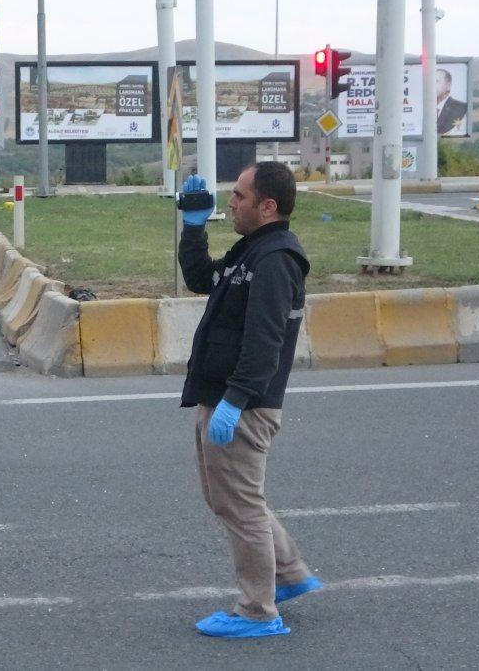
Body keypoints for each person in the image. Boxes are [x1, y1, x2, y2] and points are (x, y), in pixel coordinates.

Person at [177, 162, 321, 639]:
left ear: (268, 206)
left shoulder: (276, 260)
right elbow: (202, 279)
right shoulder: (252, 251)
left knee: (240, 506)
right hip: (222, 394)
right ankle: (289, 574)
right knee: (231, 499)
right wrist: (192, 229)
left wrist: (235, 400)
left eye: (239, 195)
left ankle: (258, 610)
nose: (231, 202)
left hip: (243, 404)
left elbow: (265, 342)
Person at [436, 68, 468, 137]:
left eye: (436, 81)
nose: (431, 86)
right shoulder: (422, 109)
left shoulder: (462, 108)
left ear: (448, 86)